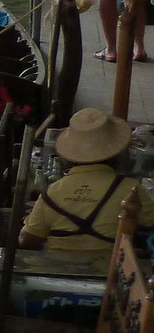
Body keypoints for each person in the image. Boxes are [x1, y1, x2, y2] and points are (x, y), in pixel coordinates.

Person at [20, 108, 154, 254]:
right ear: (116, 153)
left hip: (57, 268)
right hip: (107, 271)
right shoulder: (130, 188)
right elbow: (151, 222)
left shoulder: (54, 190)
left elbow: (27, 239)